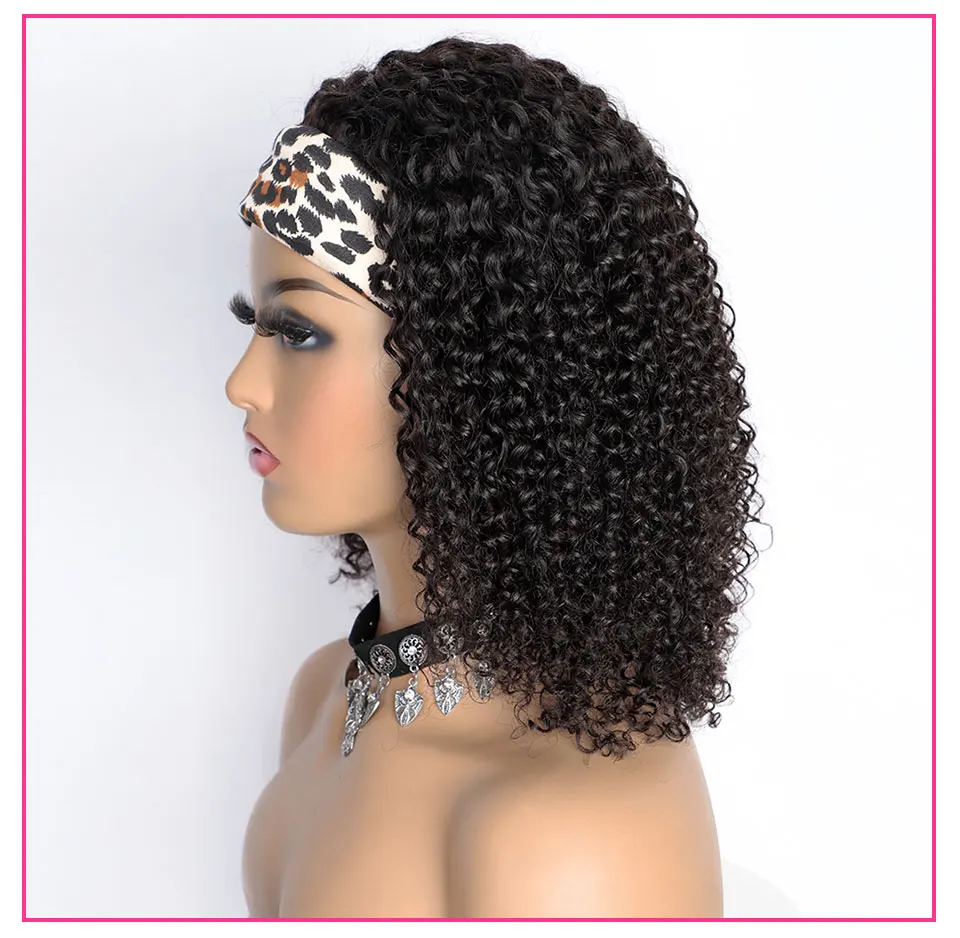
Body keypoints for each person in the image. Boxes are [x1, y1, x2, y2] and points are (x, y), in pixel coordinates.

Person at [224, 36, 763, 920]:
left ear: (474, 370)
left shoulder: (565, 831)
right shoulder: (326, 695)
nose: (242, 384)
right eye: (253, 322)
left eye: (300, 332)